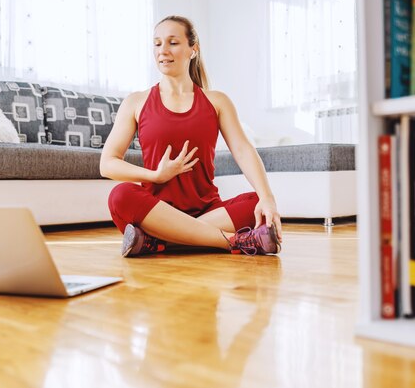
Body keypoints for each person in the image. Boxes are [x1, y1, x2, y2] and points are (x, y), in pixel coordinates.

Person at [100, 15, 282, 257]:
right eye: (157, 43)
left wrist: (267, 198)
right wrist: (155, 175)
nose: (163, 50)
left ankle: (158, 241)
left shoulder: (217, 101)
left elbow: (243, 150)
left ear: (193, 49)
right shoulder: (136, 102)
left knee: (254, 203)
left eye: (173, 42)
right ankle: (234, 240)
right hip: (156, 211)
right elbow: (108, 163)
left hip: (208, 210)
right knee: (120, 196)